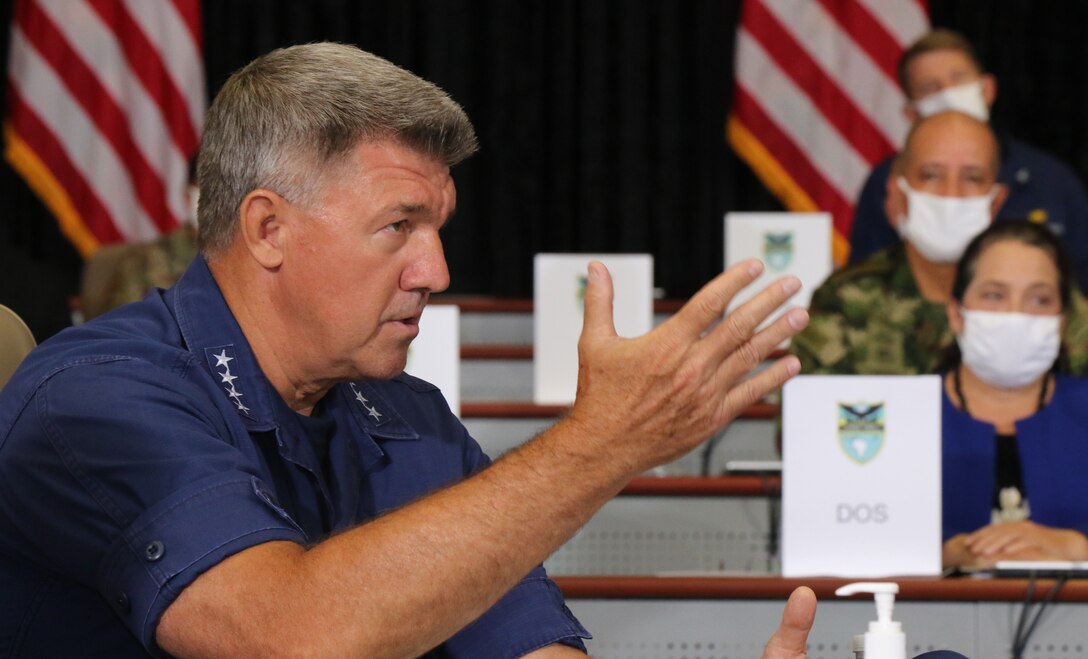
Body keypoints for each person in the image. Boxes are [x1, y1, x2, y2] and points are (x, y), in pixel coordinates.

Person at [0, 43, 816, 657]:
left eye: (437, 229)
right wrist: (607, 439)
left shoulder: (407, 415)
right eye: (399, 226)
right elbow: (288, 636)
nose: (437, 270)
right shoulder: (95, 397)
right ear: (268, 229)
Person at [791, 110, 1088, 376]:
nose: (951, 194)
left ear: (996, 201)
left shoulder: (1042, 297)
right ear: (897, 196)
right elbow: (805, 422)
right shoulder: (845, 299)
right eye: (931, 175)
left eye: (972, 177)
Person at [848, 29, 1088, 292]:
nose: (948, 94)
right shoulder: (888, 180)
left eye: (958, 79)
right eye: (931, 88)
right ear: (910, 112)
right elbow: (865, 276)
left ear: (987, 89)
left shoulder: (1052, 180)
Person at [939, 221, 1088, 569]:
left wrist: (1072, 545)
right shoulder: (901, 416)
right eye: (994, 295)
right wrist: (946, 556)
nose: (1015, 314)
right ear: (955, 313)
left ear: (1062, 320)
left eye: (1039, 299)